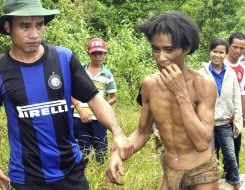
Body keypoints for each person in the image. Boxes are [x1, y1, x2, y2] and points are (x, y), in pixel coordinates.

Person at [0, 0, 133, 189]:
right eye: (25, 26)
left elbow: (94, 98)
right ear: (8, 26)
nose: (34, 34)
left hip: (71, 172)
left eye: (39, 24)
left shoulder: (63, 59)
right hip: (26, 177)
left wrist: (117, 132)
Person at [106, 11, 220, 190]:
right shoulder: (149, 84)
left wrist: (181, 93)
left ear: (186, 48)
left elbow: (202, 142)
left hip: (202, 173)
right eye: (155, 49)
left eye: (169, 49)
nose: (161, 58)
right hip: (170, 170)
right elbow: (143, 132)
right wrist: (118, 153)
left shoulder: (203, 84)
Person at [199, 38, 242, 190]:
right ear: (210, 52)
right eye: (214, 51)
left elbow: (236, 98)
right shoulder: (202, 73)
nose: (217, 55)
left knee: (230, 156)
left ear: (226, 53)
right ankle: (213, 185)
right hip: (207, 124)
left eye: (221, 52)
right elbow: (196, 99)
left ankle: (237, 184)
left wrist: (238, 121)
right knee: (209, 158)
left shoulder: (230, 73)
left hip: (224, 123)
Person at [72, 38, 117, 164]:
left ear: (105, 54)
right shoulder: (80, 70)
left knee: (101, 149)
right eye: (94, 53)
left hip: (99, 119)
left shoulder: (107, 75)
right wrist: (80, 110)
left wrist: (101, 108)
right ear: (88, 53)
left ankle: (101, 176)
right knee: (82, 149)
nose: (97, 56)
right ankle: (83, 175)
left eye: (100, 53)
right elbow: (70, 91)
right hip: (79, 117)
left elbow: (113, 97)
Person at [225, 32, 245, 169]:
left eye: (242, 48)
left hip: (235, 119)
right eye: (235, 47)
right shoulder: (218, 63)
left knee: (234, 153)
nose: (238, 51)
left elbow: (242, 92)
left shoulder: (243, 68)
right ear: (228, 46)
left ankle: (232, 180)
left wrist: (242, 115)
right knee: (214, 151)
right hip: (217, 117)